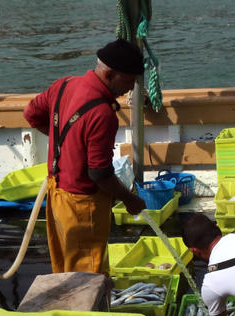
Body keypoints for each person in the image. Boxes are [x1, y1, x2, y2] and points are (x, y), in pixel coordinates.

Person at [23, 39, 146, 274]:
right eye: (129, 81)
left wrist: (65, 142)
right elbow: (100, 173)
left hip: (56, 195)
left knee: (64, 270)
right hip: (82, 207)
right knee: (88, 277)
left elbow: (31, 113)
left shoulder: (64, 85)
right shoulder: (103, 114)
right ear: (110, 74)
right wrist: (129, 199)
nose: (130, 89)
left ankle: (66, 309)